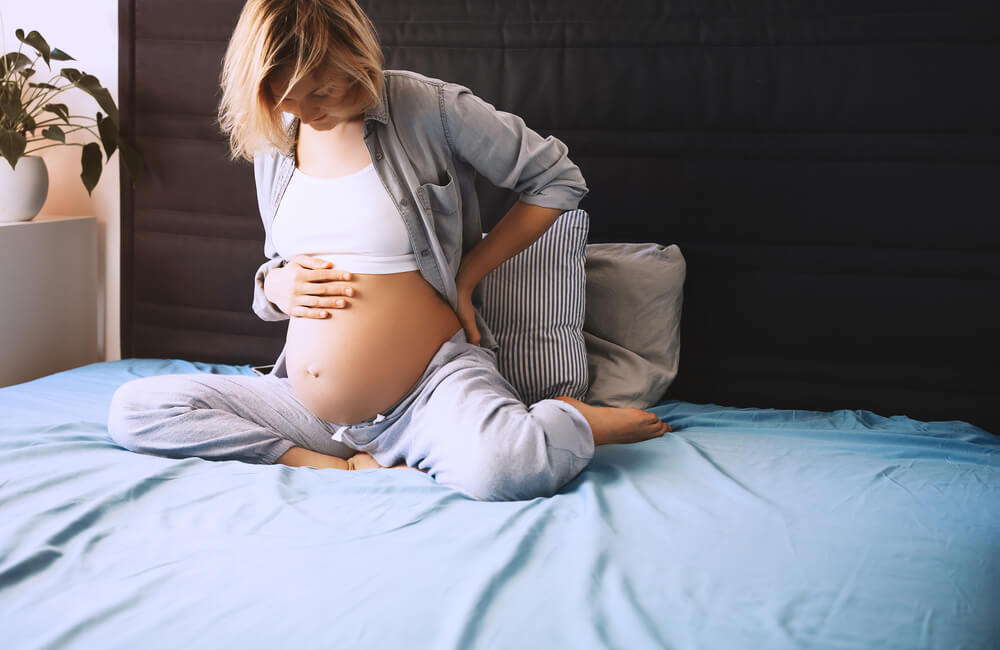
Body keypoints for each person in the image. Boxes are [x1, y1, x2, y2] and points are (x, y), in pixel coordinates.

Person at [107, 0, 671, 501]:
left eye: (321, 92)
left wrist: (469, 274)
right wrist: (273, 286)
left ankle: (570, 420)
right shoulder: (279, 137)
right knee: (136, 410)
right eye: (285, 97)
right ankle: (334, 467)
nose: (303, 112)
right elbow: (280, 264)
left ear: (354, 55)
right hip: (309, 410)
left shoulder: (429, 108)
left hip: (428, 390)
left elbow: (557, 180)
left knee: (509, 469)